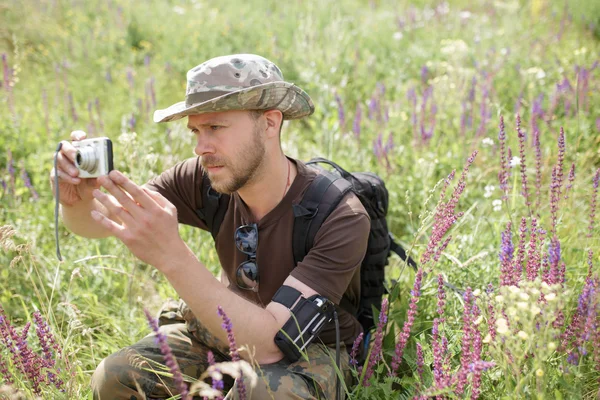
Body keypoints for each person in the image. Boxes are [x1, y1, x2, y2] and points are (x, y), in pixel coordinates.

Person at [50, 54, 370, 399]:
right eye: (196, 130)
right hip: (225, 327)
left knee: (261, 393)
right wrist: (76, 200)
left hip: (308, 348)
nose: (201, 147)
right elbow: (106, 222)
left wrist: (173, 257)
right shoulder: (203, 176)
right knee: (115, 376)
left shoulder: (339, 215)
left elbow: (272, 347)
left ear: (269, 123)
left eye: (215, 127)